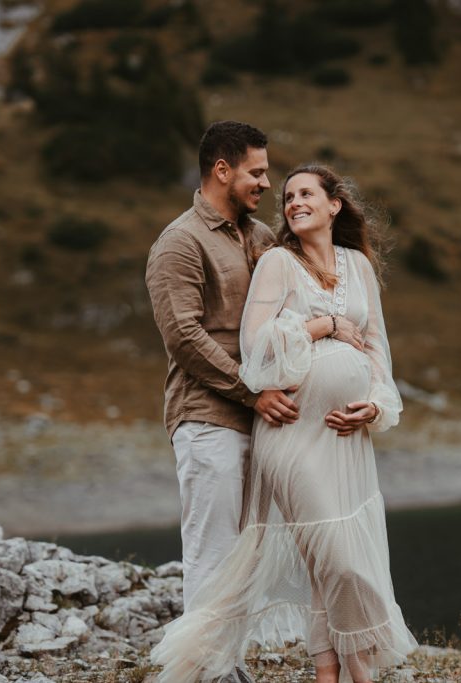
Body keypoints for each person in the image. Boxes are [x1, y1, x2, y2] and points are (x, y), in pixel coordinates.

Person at [151, 164, 417, 683]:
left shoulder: (359, 265)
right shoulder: (276, 260)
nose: (291, 200)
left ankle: (330, 674)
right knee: (339, 560)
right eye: (286, 194)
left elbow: (378, 343)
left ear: (334, 205)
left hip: (345, 438)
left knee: (330, 564)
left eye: (304, 193)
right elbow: (256, 347)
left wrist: (377, 404)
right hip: (294, 434)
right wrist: (324, 325)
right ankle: (353, 669)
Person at [145, 121, 298, 625]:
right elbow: (183, 337)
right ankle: (206, 671)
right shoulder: (179, 243)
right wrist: (252, 391)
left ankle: (229, 664)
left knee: (250, 559)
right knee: (213, 555)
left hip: (264, 421)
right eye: (256, 172)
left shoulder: (263, 237)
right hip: (208, 420)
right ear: (222, 170)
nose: (266, 184)